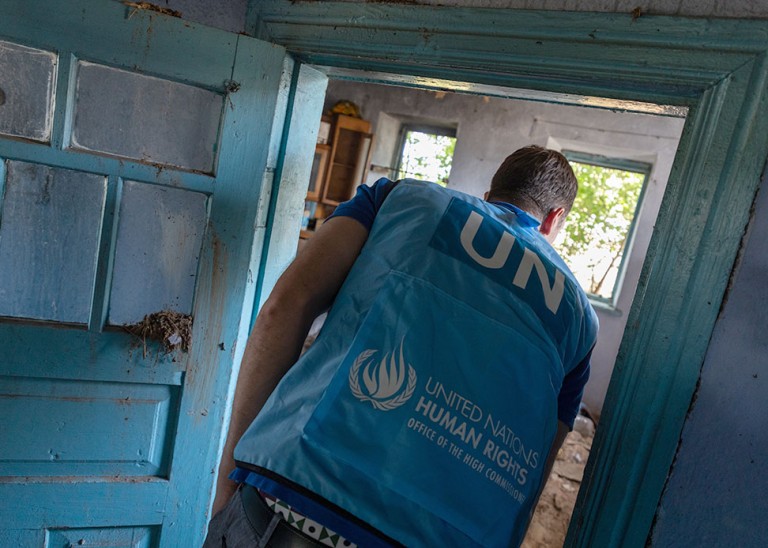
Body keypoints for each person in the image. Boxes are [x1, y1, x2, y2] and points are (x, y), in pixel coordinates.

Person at [205, 145, 598, 548]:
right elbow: (534, 471)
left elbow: (283, 308)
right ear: (554, 218)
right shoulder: (580, 320)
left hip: (291, 501)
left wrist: (227, 477)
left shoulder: (398, 199)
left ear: (490, 194)